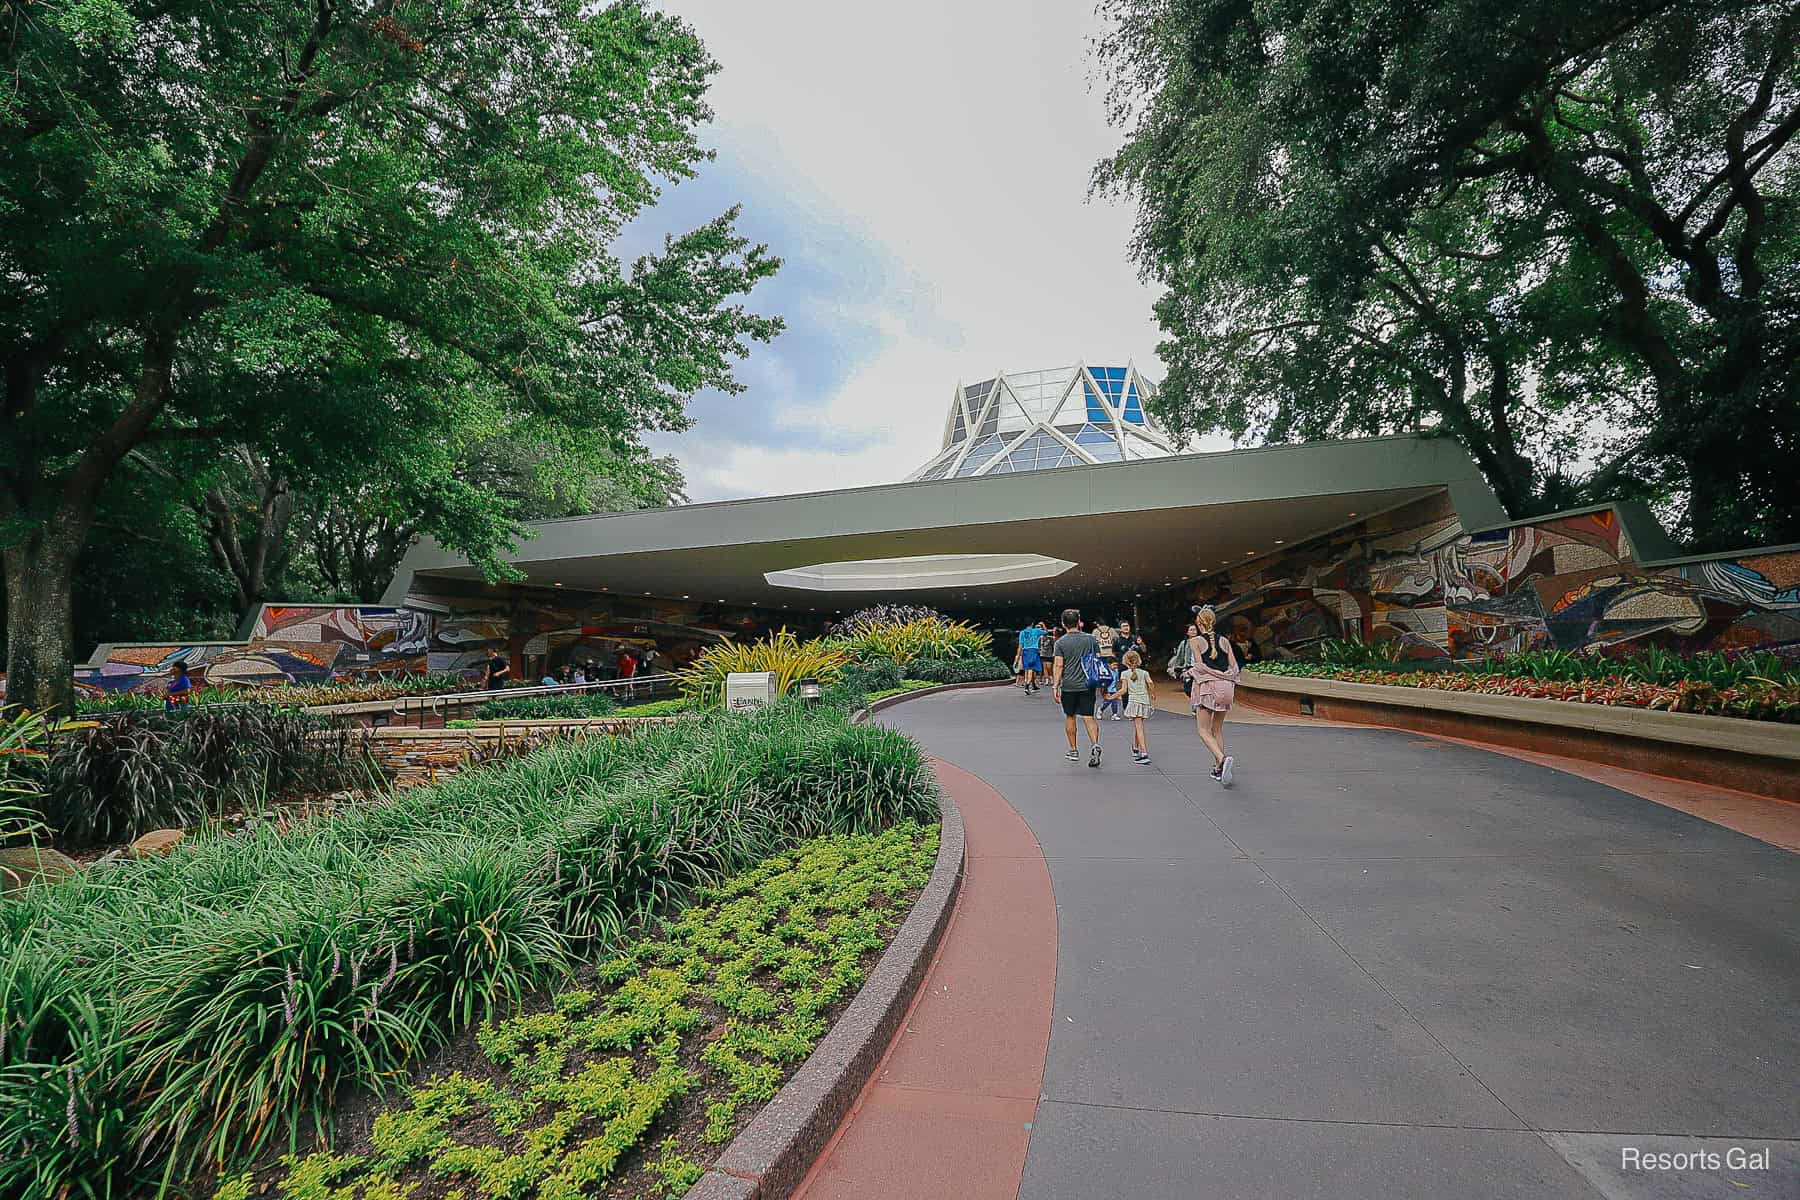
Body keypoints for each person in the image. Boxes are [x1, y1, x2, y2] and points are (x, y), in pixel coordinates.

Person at [1187, 605, 1242, 785]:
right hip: (1226, 689)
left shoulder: (1194, 641)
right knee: (1217, 729)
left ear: (1199, 622)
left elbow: (1200, 666)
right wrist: (1224, 677)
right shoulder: (1225, 641)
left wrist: (1190, 673)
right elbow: (1234, 667)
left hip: (1208, 689)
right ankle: (1218, 769)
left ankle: (1222, 759)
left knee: (1203, 730)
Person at [1051, 608, 1104, 768]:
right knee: (1089, 716)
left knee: (1070, 716)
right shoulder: (1091, 640)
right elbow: (1098, 660)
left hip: (1069, 686)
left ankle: (1073, 750)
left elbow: (1059, 665)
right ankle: (1095, 744)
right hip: (1088, 684)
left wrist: (1055, 685)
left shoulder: (1060, 642)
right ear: (1079, 621)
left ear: (1063, 624)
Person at [1108, 649, 1156, 763]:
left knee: (1139, 727)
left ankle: (1144, 753)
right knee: (1138, 725)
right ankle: (1135, 748)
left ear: (1125, 661)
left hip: (1134, 701)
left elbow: (1124, 690)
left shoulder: (1124, 674)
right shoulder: (1144, 673)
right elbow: (1150, 683)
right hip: (1144, 701)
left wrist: (1111, 697)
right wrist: (1153, 693)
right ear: (1138, 660)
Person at [1167, 622, 1198, 700]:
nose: (1194, 631)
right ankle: (1195, 707)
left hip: (1199, 669)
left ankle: (1196, 708)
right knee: (1188, 689)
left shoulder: (1201, 641)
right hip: (1188, 669)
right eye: (1191, 630)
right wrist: (1175, 669)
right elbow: (1179, 657)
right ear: (1187, 632)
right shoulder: (1184, 643)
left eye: (1195, 629)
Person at [1017, 619, 1045, 694]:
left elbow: (1020, 645)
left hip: (1025, 651)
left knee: (1028, 669)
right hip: (1033, 651)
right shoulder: (1036, 631)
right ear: (1032, 624)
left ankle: (1032, 684)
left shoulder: (1022, 632)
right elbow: (1046, 632)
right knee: (1031, 669)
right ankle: (1027, 685)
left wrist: (1018, 656)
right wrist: (1043, 625)